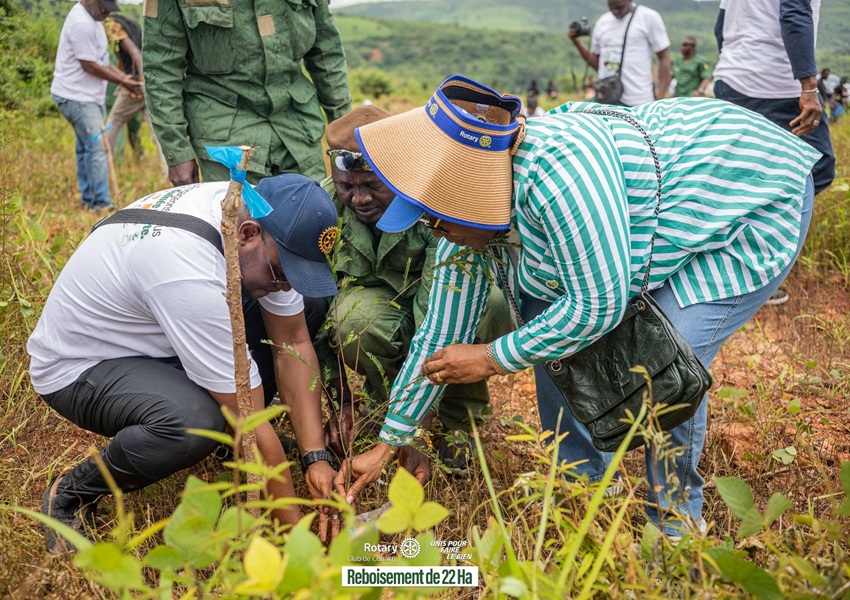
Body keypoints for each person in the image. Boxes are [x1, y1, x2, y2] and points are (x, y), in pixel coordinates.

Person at [333, 75, 819, 537]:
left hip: (741, 194)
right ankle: (581, 496)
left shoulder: (558, 178)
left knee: (667, 362)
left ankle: (674, 526)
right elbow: (438, 336)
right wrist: (389, 441)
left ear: (469, 199)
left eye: (438, 221)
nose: (436, 233)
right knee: (550, 337)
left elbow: (597, 306)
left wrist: (488, 358)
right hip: (646, 223)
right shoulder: (463, 222)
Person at [29, 174, 342, 554]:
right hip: (83, 366)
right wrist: (297, 541)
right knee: (192, 423)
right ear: (247, 234)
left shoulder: (248, 217)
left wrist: (316, 458)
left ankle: (232, 450)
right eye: (283, 274)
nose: (286, 287)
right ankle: (72, 492)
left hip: (157, 335)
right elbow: (248, 413)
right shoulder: (187, 269)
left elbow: (291, 342)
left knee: (306, 306)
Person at [307, 105, 512, 477]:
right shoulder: (321, 208)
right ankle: (385, 408)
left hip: (446, 311)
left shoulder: (434, 202)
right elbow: (313, 311)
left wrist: (415, 430)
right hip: (381, 312)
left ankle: (458, 420)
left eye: (372, 186)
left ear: (395, 172)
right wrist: (341, 398)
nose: (359, 200)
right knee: (352, 322)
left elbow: (440, 323)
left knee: (489, 307)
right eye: (347, 187)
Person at [143, 0, 352, 186]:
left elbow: (326, 52)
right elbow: (161, 69)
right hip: (226, 141)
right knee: (239, 226)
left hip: (299, 131)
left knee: (314, 222)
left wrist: (347, 135)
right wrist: (177, 152)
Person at [713, 0, 835, 306]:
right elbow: (795, 13)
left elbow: (720, 25)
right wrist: (809, 87)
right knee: (818, 166)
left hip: (732, 79)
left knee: (742, 176)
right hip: (772, 86)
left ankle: (731, 263)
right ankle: (751, 271)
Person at [50, 0, 143, 211]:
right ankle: (101, 203)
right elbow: (89, 65)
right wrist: (123, 81)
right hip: (76, 97)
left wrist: (127, 82)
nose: (107, 12)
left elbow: (101, 60)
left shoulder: (94, 20)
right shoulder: (81, 22)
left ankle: (89, 200)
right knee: (97, 148)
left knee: (86, 148)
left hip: (89, 97)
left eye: (110, 8)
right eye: (103, 7)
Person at [568, 0, 671, 105]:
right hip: (607, 100)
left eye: (619, 7)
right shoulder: (602, 22)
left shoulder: (648, 18)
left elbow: (664, 57)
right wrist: (577, 43)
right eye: (611, 6)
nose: (615, 11)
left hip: (638, 101)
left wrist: (661, 95)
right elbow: (597, 64)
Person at [103, 14, 167, 173]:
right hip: (148, 80)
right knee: (157, 130)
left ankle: (102, 167)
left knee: (114, 121)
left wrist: (140, 82)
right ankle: (169, 172)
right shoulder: (130, 22)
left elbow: (135, 53)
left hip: (135, 83)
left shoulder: (112, 24)